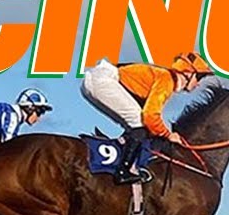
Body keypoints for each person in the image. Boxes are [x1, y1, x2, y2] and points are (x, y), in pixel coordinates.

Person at [81, 51, 213, 185]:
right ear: (188, 73)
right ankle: (123, 172)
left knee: (136, 126)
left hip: (96, 81)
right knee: (140, 123)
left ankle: (122, 159)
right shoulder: (167, 80)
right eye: (200, 77)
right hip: (103, 81)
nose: (198, 84)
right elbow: (150, 116)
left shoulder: (164, 78)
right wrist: (168, 134)